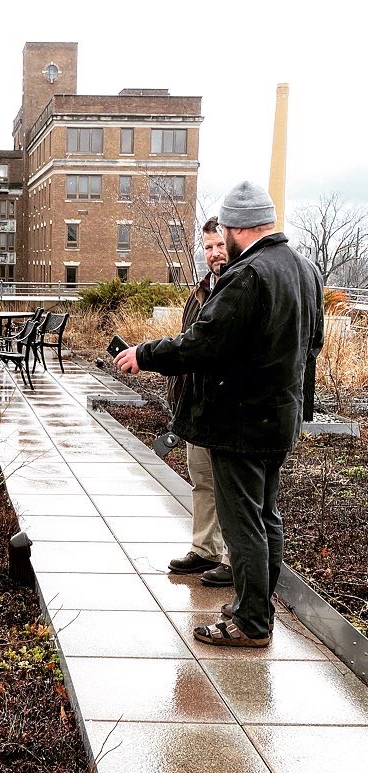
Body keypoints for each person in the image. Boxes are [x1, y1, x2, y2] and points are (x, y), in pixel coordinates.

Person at [115, 181, 323, 647]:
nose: (221, 240)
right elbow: (312, 347)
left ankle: (251, 623)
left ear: (237, 227)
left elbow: (203, 341)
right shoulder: (305, 270)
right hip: (279, 420)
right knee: (267, 517)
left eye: (224, 229)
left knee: (243, 522)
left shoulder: (248, 274)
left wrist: (143, 354)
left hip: (240, 424)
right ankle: (256, 607)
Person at [166, 217, 233, 587]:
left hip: (228, 410)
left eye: (220, 244)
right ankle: (204, 548)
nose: (215, 253)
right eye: (208, 247)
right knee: (202, 481)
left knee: (231, 487)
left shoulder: (241, 287)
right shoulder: (200, 291)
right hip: (197, 407)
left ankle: (231, 559)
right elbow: (187, 346)